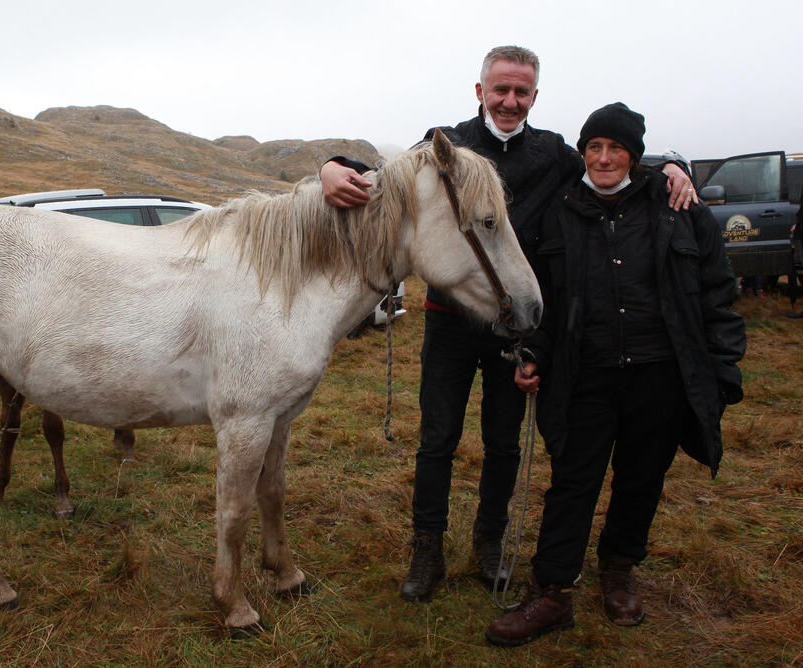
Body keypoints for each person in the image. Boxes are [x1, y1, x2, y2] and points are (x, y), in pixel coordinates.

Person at [320, 46, 699, 603]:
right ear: (480, 92)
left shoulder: (554, 155)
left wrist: (675, 167)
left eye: (521, 92)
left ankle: (489, 543)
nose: (509, 101)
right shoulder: (444, 144)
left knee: (503, 443)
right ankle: (428, 550)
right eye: (500, 89)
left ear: (535, 98)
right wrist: (331, 166)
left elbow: (613, 164)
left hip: (515, 325)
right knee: (437, 439)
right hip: (450, 320)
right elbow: (384, 177)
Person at [485, 102, 746, 646]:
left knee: (641, 478)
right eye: (594, 148)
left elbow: (718, 292)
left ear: (635, 155)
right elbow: (545, 298)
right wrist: (533, 352)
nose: (604, 158)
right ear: (583, 154)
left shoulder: (678, 207)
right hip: (585, 374)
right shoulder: (561, 210)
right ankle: (553, 590)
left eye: (616, 148)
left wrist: (722, 369)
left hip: (661, 374)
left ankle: (619, 568)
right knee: (572, 483)